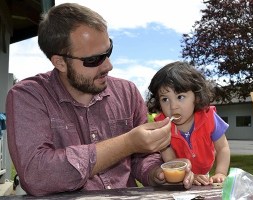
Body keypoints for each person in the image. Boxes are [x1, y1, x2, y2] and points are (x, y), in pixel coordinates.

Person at [5, 3, 193, 196]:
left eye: (108, 51)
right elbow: (36, 175)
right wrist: (127, 143)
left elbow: (142, 159)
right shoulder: (28, 97)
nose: (108, 66)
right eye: (94, 60)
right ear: (60, 62)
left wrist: (157, 173)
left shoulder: (127, 92)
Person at [146, 61, 230, 186]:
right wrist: (190, 176)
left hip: (205, 172)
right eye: (165, 99)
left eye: (180, 97)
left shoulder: (209, 117)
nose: (173, 106)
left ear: (196, 97)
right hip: (180, 179)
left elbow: (222, 148)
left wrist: (221, 173)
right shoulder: (162, 128)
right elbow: (172, 162)